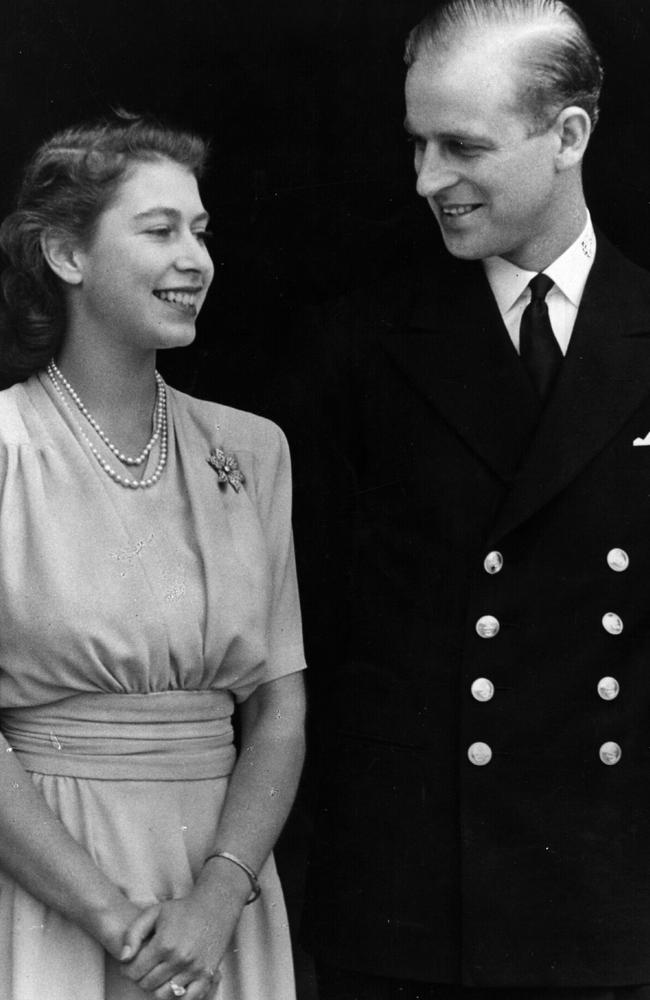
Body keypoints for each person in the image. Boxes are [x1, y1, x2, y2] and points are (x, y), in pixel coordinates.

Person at [302, 1, 650, 997]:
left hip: (608, 896)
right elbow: (315, 625)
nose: (426, 181)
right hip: (416, 909)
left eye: (461, 147)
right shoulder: (358, 350)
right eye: (415, 146)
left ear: (567, 134)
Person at [0, 114, 306, 1000]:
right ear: (66, 254)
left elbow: (281, 711)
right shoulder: (7, 450)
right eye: (160, 230)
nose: (196, 259)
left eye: (201, 233)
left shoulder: (252, 453)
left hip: (223, 897)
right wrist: (111, 920)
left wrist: (216, 899)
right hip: (49, 886)